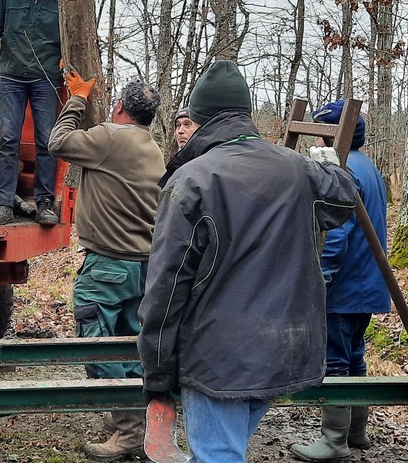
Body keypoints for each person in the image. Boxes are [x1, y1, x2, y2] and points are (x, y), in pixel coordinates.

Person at [139, 60, 358, 463]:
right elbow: (344, 197)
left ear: (200, 119)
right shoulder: (299, 169)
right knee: (226, 449)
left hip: (218, 358)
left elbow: (165, 289)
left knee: (217, 455)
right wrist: (330, 164)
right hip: (284, 350)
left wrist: (156, 372)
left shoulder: (191, 181)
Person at [47, 71, 164, 460]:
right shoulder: (151, 146)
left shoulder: (111, 137)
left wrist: (77, 99)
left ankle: (128, 431)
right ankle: (133, 424)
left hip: (108, 268)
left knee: (96, 344)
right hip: (142, 267)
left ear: (119, 107)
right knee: (130, 346)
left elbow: (57, 142)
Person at [291, 100, 391, 462]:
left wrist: (322, 277)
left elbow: (335, 232)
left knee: (334, 360)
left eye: (320, 134)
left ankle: (334, 441)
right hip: (366, 282)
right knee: (354, 356)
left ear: (331, 136)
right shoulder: (368, 166)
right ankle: (356, 432)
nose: (314, 141)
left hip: (344, 285)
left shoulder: (342, 170)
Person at [0, 0, 70, 227]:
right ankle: (4, 204)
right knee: (9, 139)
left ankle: (44, 203)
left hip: (46, 79)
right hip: (13, 76)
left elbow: (73, 38)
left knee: (46, 140)